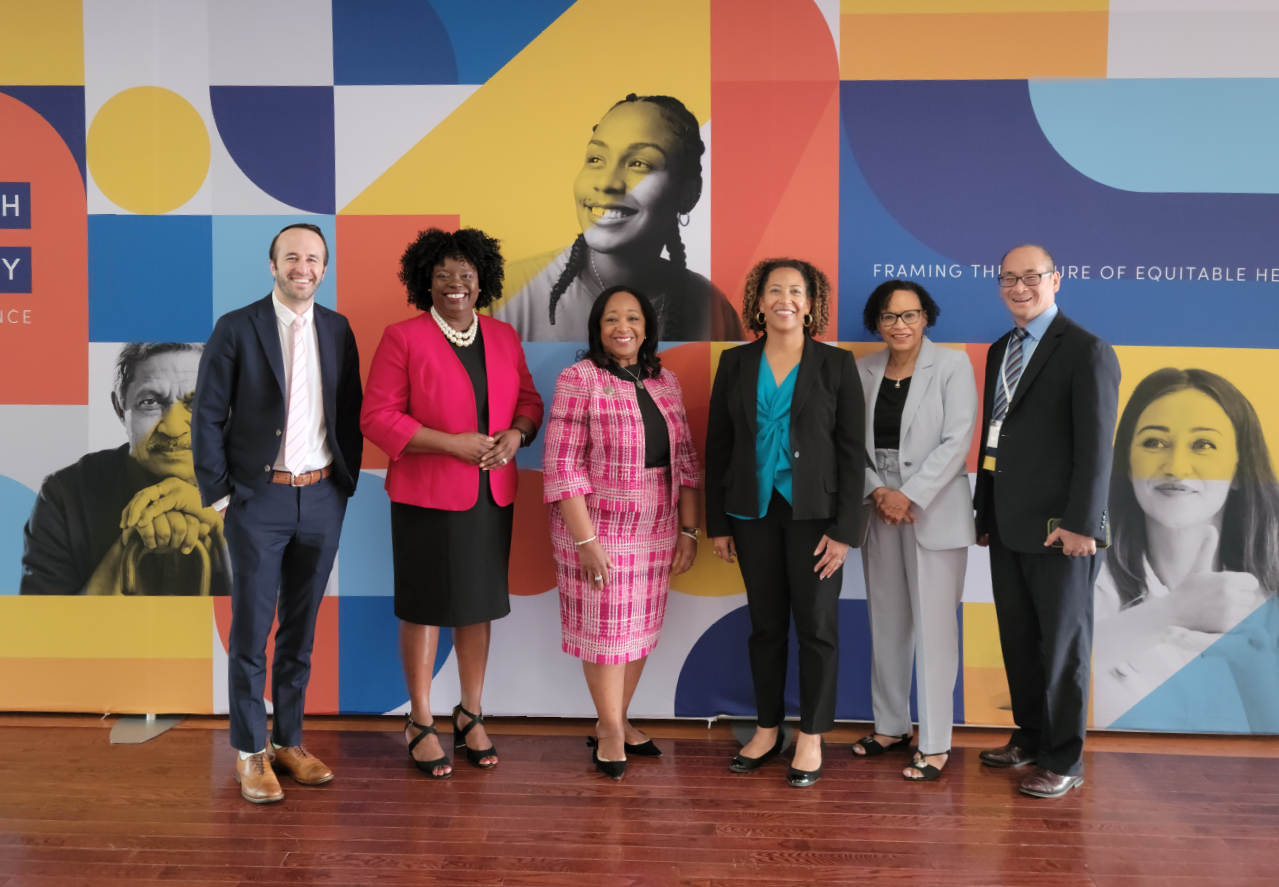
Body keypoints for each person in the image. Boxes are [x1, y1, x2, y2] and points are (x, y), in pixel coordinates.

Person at [361, 227, 543, 779]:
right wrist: (451, 443)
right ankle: (420, 719)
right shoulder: (402, 337)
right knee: (425, 606)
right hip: (426, 497)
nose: (455, 284)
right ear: (425, 282)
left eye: (465, 274)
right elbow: (377, 418)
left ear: (481, 280)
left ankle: (470, 713)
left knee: (477, 605)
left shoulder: (505, 337)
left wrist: (516, 435)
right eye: (442, 276)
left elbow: (530, 401)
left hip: (491, 495)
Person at [192, 223, 364, 804]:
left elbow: (349, 414)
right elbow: (208, 415)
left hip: (320, 498)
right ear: (272, 265)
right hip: (257, 500)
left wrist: (342, 487)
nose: (303, 267)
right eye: (292, 257)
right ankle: (250, 751)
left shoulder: (338, 330)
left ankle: (289, 741)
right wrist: (220, 495)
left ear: (324, 267)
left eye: (313, 259)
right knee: (251, 631)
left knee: (300, 631)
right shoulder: (237, 327)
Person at [705, 257, 866, 788]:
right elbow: (719, 447)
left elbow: (850, 454)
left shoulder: (837, 364)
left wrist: (846, 532)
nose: (785, 300)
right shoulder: (734, 362)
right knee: (766, 628)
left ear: (811, 302)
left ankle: (813, 735)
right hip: (751, 513)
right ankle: (768, 729)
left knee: (818, 629)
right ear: (758, 301)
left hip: (816, 518)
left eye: (796, 291)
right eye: (775, 290)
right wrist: (718, 524)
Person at [973, 244, 1120, 799]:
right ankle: (1030, 738)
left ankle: (1063, 759)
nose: (1019, 288)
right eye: (1008, 278)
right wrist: (984, 513)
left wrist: (1083, 523)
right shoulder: (999, 350)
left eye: (1031, 277)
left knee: (1062, 646)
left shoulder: (1086, 350)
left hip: (1063, 529)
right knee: (1019, 639)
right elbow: (994, 440)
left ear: (1056, 280)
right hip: (1008, 524)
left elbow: (1096, 449)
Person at [542, 285, 702, 779]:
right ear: (597, 328)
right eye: (612, 318)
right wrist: (586, 542)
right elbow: (563, 465)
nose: (623, 327)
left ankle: (617, 718)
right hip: (597, 524)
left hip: (657, 523)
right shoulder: (579, 379)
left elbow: (687, 461)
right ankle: (610, 730)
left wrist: (689, 531)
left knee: (639, 630)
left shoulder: (665, 380)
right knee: (608, 631)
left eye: (633, 317)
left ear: (648, 327)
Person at [1093, 368, 1278, 728]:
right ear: (1128, 465)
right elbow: (1019, 690)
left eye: (1204, 445)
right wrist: (1168, 613)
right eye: (1154, 443)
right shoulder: (1084, 579)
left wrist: (1253, 668)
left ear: (1239, 470)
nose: (1175, 467)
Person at [852, 280, 978, 781]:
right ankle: (889, 726)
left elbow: (957, 439)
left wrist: (911, 494)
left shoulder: (952, 366)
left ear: (927, 317)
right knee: (887, 621)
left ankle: (936, 741)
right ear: (875, 323)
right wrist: (879, 491)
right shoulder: (861, 370)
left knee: (934, 628)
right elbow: (848, 442)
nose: (900, 325)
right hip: (878, 506)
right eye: (889, 316)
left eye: (910, 315)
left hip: (934, 507)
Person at [493, 93, 742, 343]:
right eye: (596, 159)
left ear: (688, 193)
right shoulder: (506, 295)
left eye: (638, 164)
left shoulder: (712, 310)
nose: (606, 182)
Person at [22, 343, 230, 596]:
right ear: (120, 410)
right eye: (150, 402)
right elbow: (41, 631)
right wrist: (129, 545)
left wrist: (225, 532)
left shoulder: (267, 487)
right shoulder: (65, 495)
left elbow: (285, 623)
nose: (174, 429)